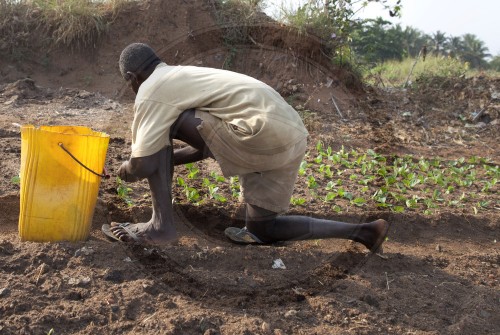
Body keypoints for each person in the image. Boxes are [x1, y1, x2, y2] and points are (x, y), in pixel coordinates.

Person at [102, 42, 390, 253]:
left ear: (131, 78)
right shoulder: (182, 77)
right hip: (290, 136)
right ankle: (365, 232)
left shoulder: (152, 88)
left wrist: (125, 169)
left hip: (258, 132)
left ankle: (161, 226)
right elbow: (210, 143)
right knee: (263, 229)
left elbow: (144, 164)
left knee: (164, 127)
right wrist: (167, 160)